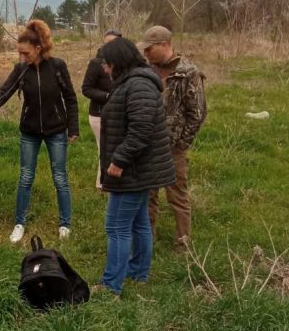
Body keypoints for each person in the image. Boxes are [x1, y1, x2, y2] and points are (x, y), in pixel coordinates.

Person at [0, 19, 79, 243]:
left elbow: (70, 98)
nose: (22, 57)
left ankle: (65, 224)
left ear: (38, 49)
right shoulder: (21, 70)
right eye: (19, 54)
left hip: (56, 130)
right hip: (29, 131)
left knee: (60, 177)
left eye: (25, 53)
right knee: (25, 177)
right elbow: (5, 91)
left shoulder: (58, 66)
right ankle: (19, 223)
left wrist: (73, 127)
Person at [97, 37, 175, 295]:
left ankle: (111, 286)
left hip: (133, 170)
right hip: (141, 170)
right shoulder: (133, 82)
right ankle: (139, 272)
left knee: (116, 227)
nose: (105, 70)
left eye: (107, 64)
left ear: (118, 62)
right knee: (139, 222)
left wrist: (119, 160)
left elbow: (140, 130)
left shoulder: (138, 85)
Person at [138, 25, 207, 251]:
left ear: (165, 45)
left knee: (177, 194)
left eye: (150, 49)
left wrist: (181, 144)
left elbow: (196, 113)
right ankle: (147, 238)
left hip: (173, 147)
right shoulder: (147, 70)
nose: (146, 54)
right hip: (147, 143)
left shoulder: (188, 73)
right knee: (148, 194)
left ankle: (183, 243)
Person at [81, 29, 122, 189]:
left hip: (119, 114)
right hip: (99, 115)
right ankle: (102, 184)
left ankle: (112, 182)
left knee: (116, 149)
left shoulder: (125, 65)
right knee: (104, 149)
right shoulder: (96, 63)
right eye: (107, 43)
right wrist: (108, 96)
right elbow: (86, 89)